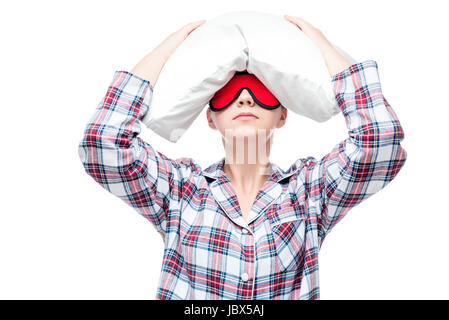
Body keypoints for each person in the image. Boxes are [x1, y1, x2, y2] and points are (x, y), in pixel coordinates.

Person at [78, 15, 407, 300]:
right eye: (229, 94)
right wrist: (169, 46)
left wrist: (319, 43)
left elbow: (380, 142)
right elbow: (102, 143)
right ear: (210, 118)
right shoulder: (179, 191)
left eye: (260, 92)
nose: (246, 100)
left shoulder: (309, 192)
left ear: (282, 116)